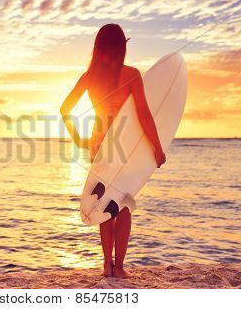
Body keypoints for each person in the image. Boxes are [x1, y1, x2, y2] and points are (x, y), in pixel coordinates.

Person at [60, 24, 166, 278]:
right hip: (126, 146)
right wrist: (157, 147)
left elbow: (65, 109)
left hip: (101, 146)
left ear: (97, 49)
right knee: (125, 205)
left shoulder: (89, 78)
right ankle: (119, 267)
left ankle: (107, 264)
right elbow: (143, 115)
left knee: (106, 205)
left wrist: (80, 140)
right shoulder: (130, 74)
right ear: (122, 48)